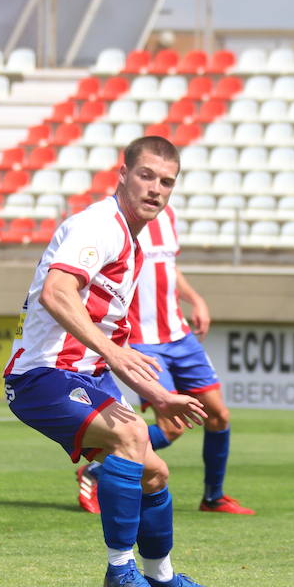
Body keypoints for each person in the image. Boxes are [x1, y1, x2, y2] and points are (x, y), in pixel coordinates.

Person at [4, 134, 224, 587]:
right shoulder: (97, 227)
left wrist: (158, 396)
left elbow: (113, 341)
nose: (156, 189)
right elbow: (57, 293)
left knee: (155, 473)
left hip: (86, 373)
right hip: (43, 375)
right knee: (128, 441)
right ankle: (120, 573)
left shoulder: (132, 243)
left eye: (167, 182)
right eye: (146, 175)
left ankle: (160, 576)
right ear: (121, 175)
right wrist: (113, 353)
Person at [74, 202, 254, 516]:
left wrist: (195, 299)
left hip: (179, 335)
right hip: (143, 341)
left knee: (218, 415)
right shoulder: (114, 223)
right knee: (172, 427)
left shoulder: (167, 215)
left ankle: (213, 497)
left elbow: (168, 266)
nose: (156, 189)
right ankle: (97, 471)